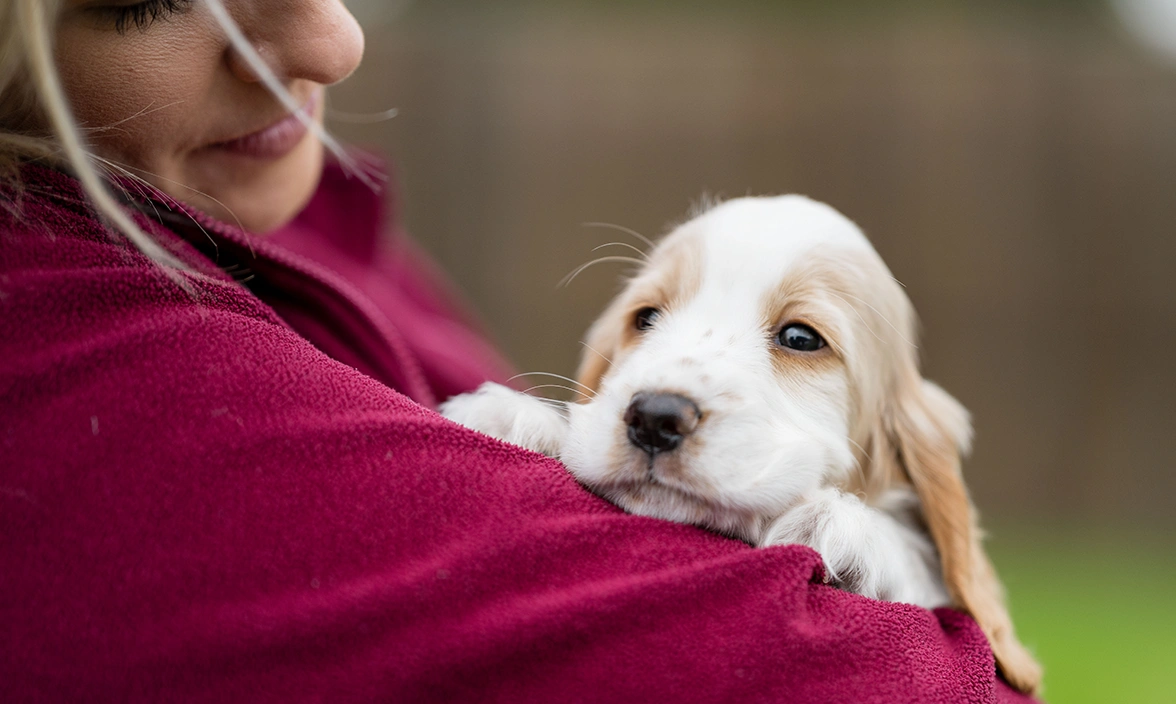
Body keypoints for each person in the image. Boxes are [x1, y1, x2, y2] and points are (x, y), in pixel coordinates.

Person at [0, 2, 1038, 701]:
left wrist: (916, 571)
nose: (335, 37)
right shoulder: (78, 365)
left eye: (802, 339)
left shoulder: (312, 211)